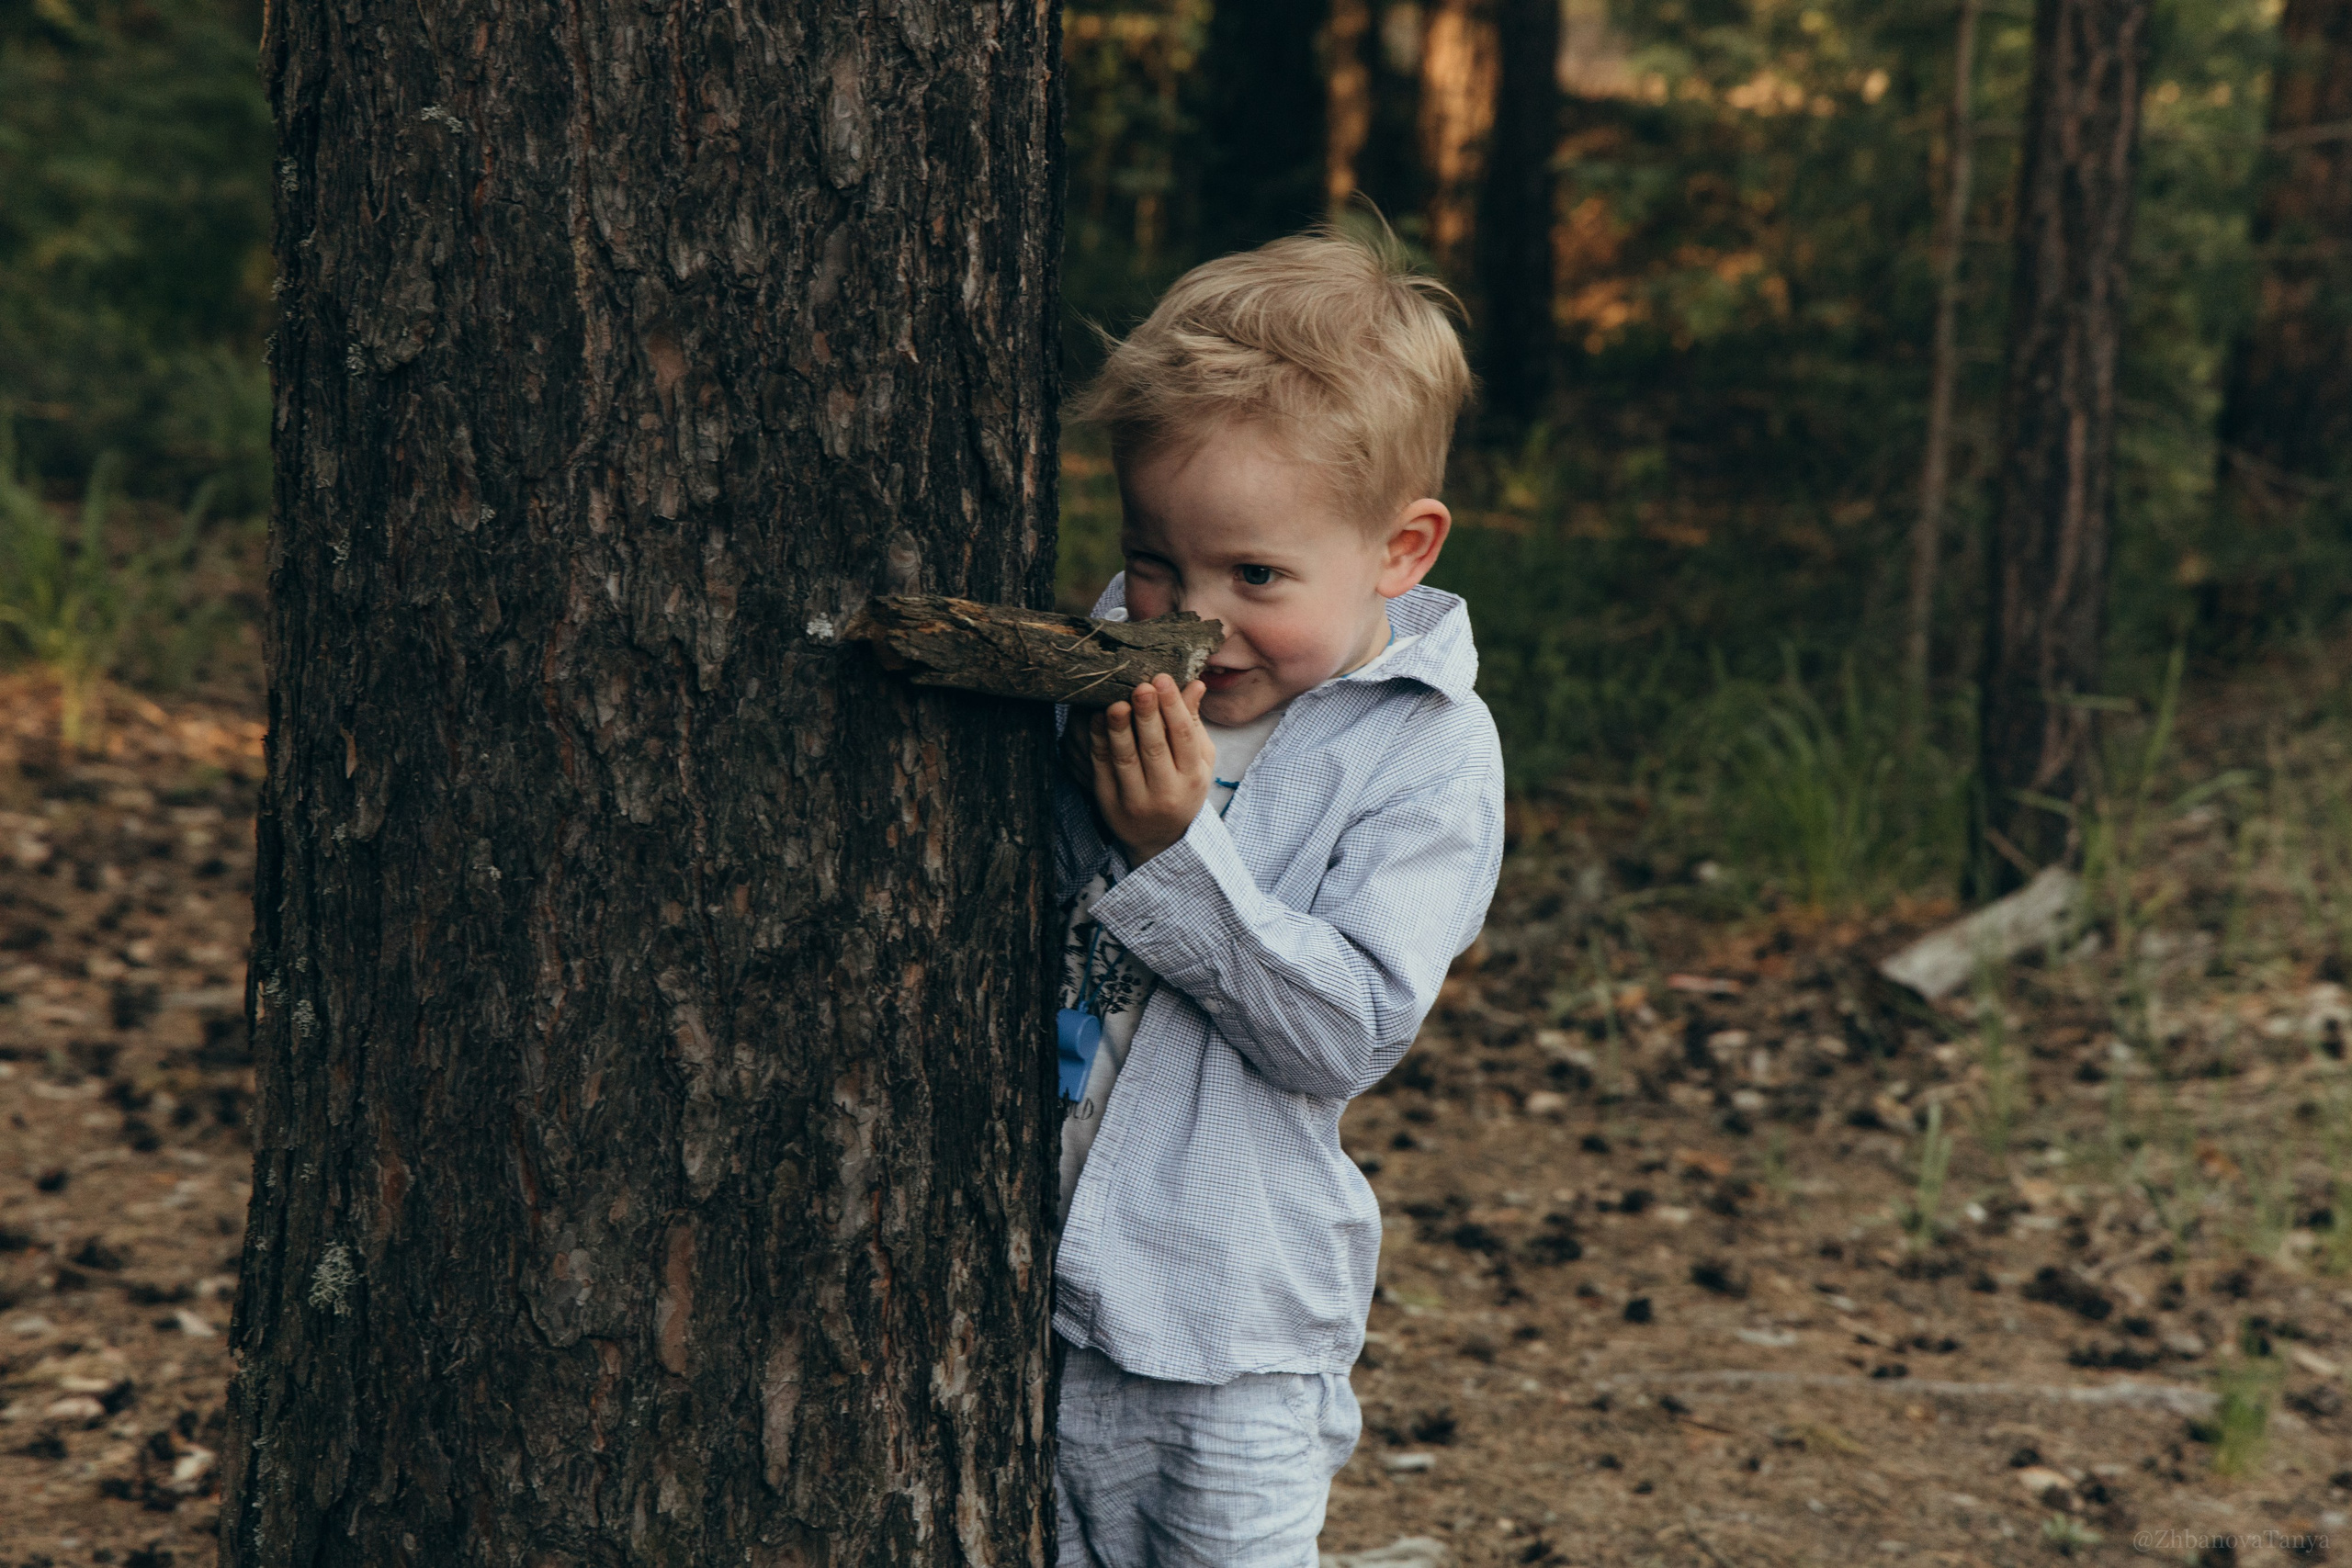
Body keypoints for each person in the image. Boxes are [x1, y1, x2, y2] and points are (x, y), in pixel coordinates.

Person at [1048, 223, 1507, 1566]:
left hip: (1225, 1335)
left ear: (1398, 549)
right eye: (1155, 562)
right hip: (1028, 1301)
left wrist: (1178, 853)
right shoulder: (1103, 669)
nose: (1195, 619)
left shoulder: (1425, 753)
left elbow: (1348, 1027)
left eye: (1256, 576)